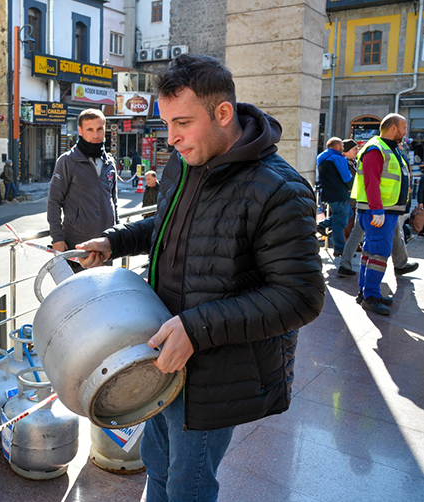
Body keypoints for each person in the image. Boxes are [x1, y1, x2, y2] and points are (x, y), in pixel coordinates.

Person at [75, 54, 324, 501]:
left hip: (213, 370)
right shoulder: (186, 161)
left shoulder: (278, 189)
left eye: (183, 123)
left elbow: (300, 297)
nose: (172, 139)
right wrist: (114, 241)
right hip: (160, 351)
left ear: (223, 113)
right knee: (159, 466)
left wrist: (196, 328)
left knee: (189, 484)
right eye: (167, 123)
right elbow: (164, 225)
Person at [351, 113, 411, 315]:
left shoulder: (388, 148)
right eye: (403, 127)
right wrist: (377, 209)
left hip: (385, 211)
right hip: (378, 212)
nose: (405, 131)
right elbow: (371, 181)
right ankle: (371, 296)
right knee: (379, 254)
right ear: (393, 128)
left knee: (371, 252)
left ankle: (367, 291)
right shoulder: (376, 148)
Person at [47, 108, 119, 268]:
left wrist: (117, 234)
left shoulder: (110, 162)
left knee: (105, 291)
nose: (96, 135)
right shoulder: (67, 161)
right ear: (80, 131)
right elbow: (53, 202)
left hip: (106, 244)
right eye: (90, 130)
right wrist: (57, 239)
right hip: (78, 245)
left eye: (99, 129)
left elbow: (114, 201)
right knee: (81, 292)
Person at [316, 137, 354, 256]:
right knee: (340, 222)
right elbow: (346, 177)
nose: (343, 148)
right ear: (337, 147)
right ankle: (339, 249)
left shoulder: (321, 157)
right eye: (342, 146)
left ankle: (322, 225)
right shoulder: (338, 158)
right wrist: (352, 187)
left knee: (346, 215)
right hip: (340, 193)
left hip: (328, 193)